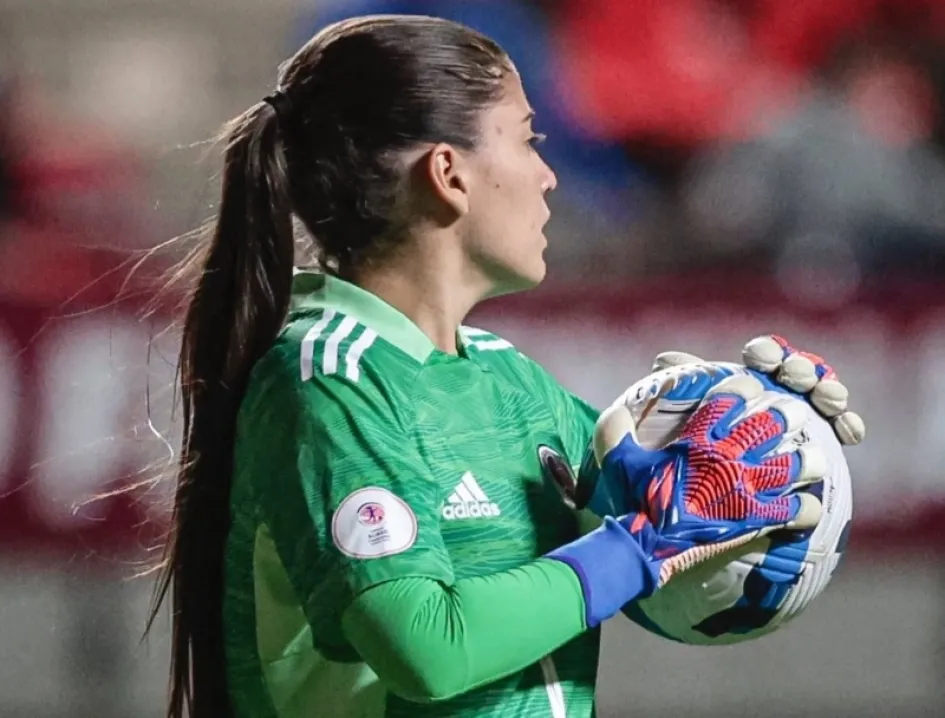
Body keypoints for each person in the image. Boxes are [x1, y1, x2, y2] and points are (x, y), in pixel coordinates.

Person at [148, 15, 864, 718]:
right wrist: (642, 547)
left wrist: (771, 427)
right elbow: (425, 647)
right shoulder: (330, 380)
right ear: (448, 174)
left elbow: (675, 529)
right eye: (528, 140)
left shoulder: (509, 383)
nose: (550, 177)